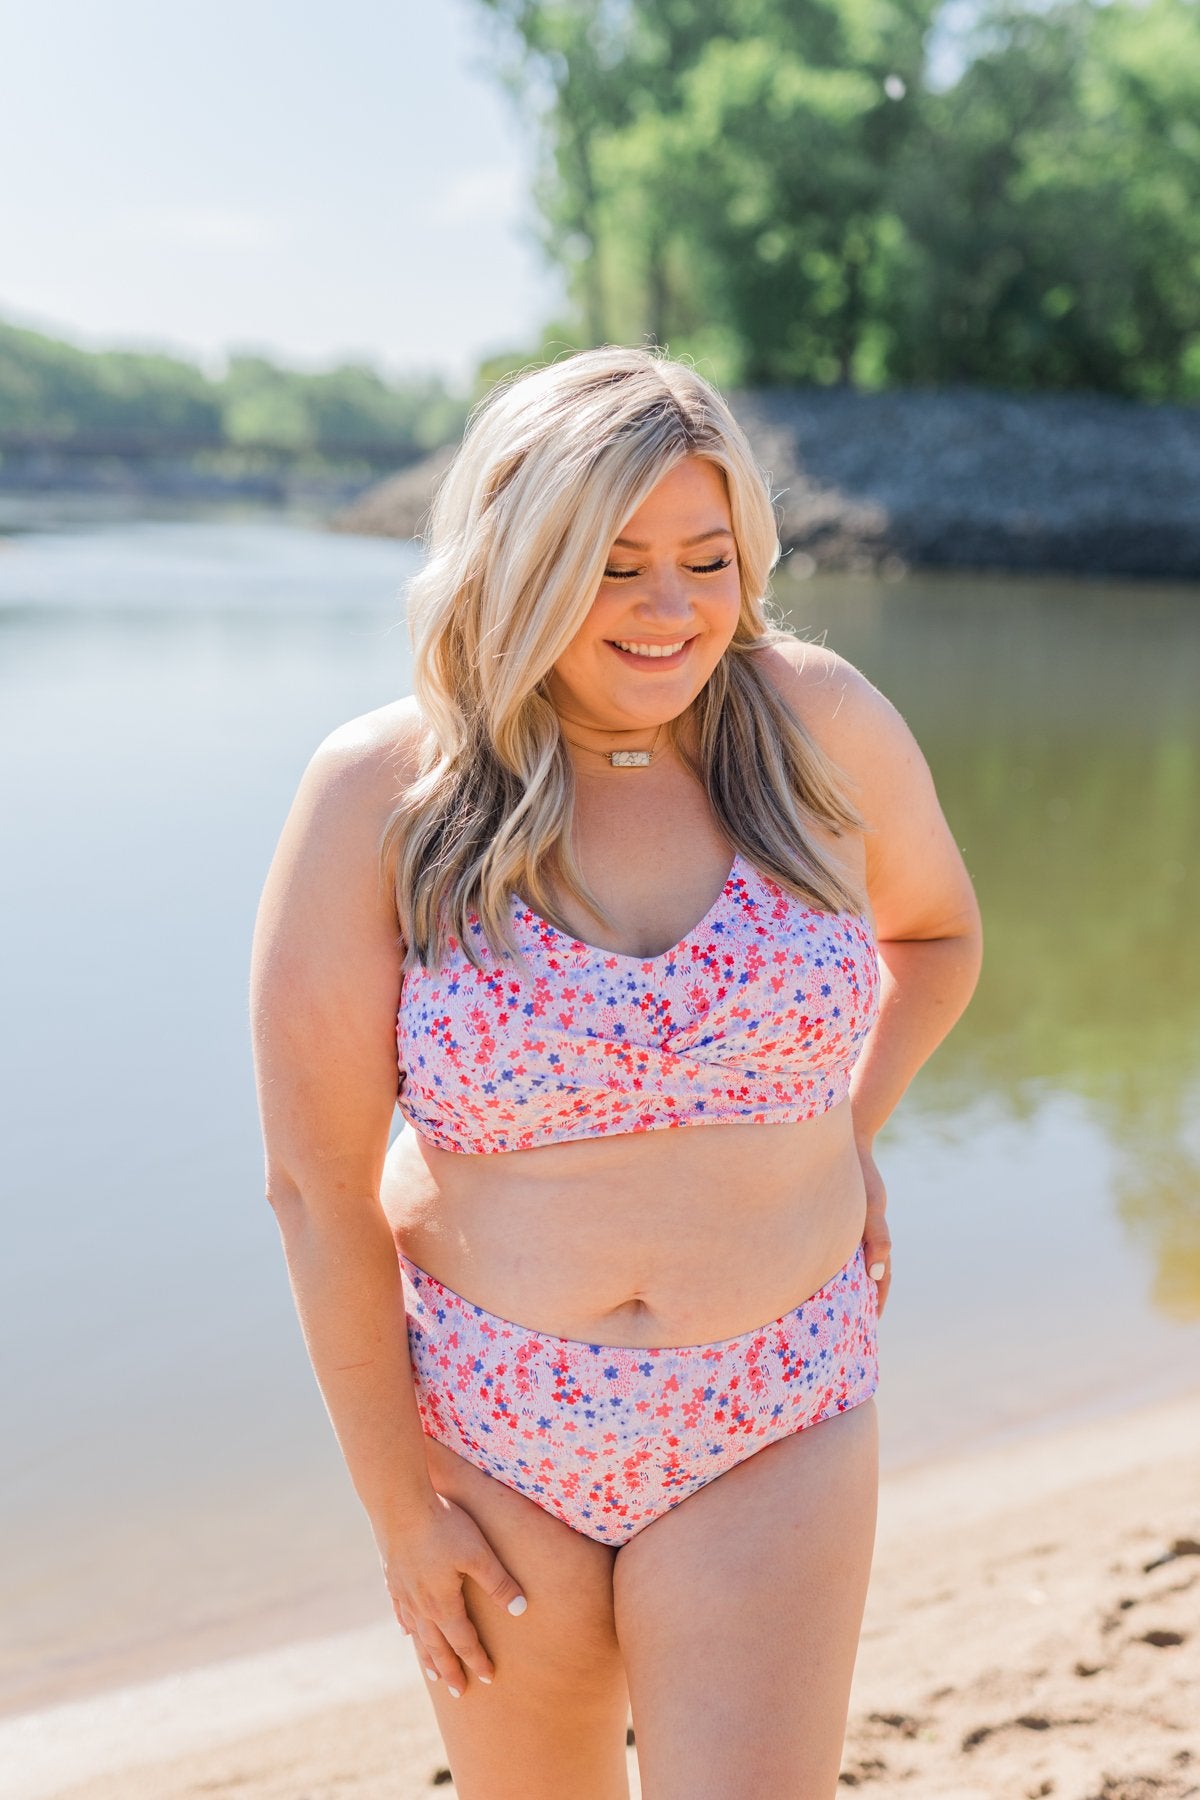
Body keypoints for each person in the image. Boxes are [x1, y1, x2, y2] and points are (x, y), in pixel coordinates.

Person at [250, 345, 983, 1800]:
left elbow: (939, 934)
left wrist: (844, 1131)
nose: (673, 611)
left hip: (774, 1405)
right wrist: (401, 1510)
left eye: (707, 561)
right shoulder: (381, 799)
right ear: (517, 565)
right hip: (487, 1431)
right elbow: (315, 1188)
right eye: (615, 566)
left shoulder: (816, 725)